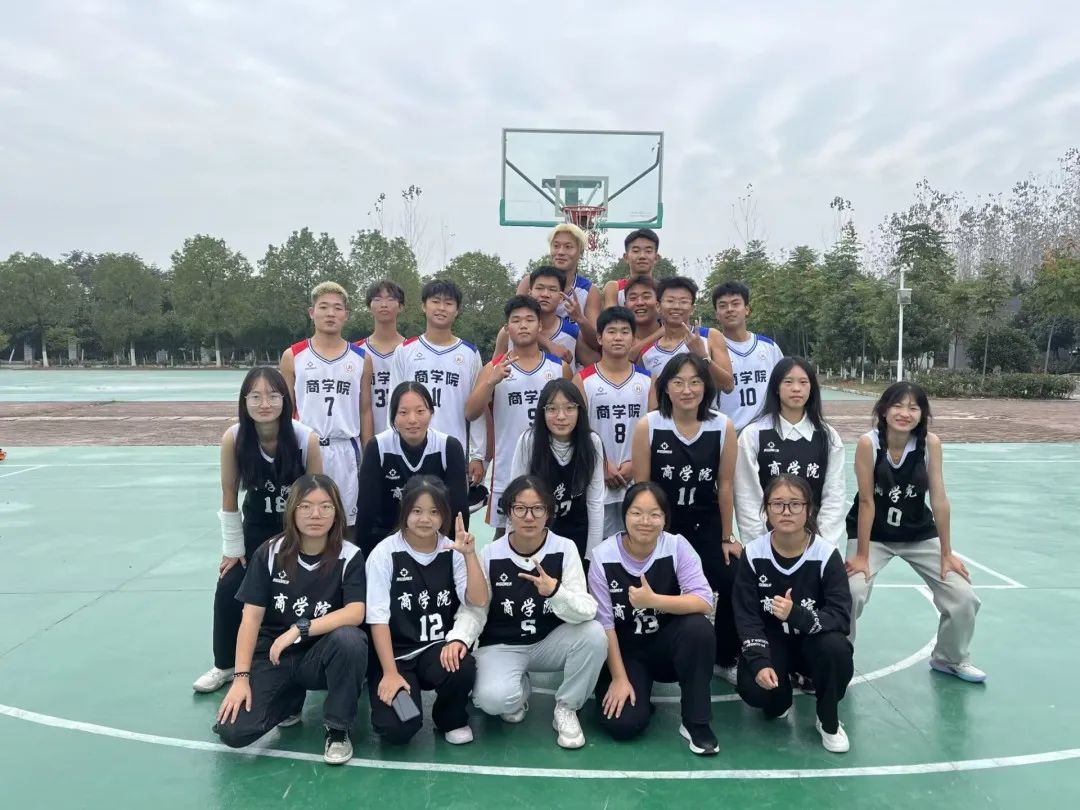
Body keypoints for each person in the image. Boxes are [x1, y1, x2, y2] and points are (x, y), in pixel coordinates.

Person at [213, 475, 367, 765]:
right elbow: (250, 619)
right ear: (292, 510)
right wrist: (241, 678)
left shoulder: (350, 555)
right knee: (233, 732)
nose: (315, 514)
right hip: (274, 656)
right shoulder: (270, 552)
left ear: (337, 512)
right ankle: (289, 700)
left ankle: (337, 728)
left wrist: (300, 629)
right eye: (305, 506)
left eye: (325, 506)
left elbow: (355, 612)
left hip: (320, 656)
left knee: (351, 640)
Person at [447, 475, 607, 750]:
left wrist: (555, 592)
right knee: (492, 701)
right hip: (504, 645)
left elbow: (587, 609)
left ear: (549, 513)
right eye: (520, 508)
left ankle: (567, 707)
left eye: (537, 508)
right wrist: (460, 637)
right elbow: (475, 608)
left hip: (550, 643)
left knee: (594, 635)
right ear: (509, 512)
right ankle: (519, 688)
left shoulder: (565, 548)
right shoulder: (490, 553)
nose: (529, 517)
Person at [193, 367, 324, 694]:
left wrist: (313, 546)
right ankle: (225, 664)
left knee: (296, 589)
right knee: (229, 584)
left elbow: (318, 498)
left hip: (296, 533)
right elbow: (229, 495)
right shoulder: (234, 438)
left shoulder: (305, 439)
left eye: (272, 396)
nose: (264, 403)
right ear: (244, 401)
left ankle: (297, 659)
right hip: (255, 532)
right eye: (255, 396)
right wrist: (232, 550)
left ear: (285, 400)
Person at [845, 382, 985, 682]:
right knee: (851, 591)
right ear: (883, 410)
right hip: (873, 535)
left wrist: (947, 553)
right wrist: (862, 556)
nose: (904, 413)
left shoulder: (930, 444)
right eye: (897, 405)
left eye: (913, 407)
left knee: (963, 597)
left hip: (918, 533)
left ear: (922, 414)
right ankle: (838, 658)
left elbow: (939, 499)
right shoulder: (868, 444)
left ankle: (949, 658)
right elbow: (867, 501)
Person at [630, 353, 741, 684]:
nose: (687, 390)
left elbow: (725, 486)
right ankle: (653, 655)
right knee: (656, 585)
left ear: (706, 387)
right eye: (678, 382)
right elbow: (642, 488)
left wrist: (726, 537)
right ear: (666, 388)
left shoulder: (722, 426)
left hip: (705, 524)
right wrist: (642, 537)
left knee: (732, 577)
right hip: (662, 527)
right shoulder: (650, 425)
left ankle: (725, 657)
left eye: (695, 382)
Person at [589, 482, 718, 754]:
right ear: (624, 515)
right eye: (636, 513)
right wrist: (619, 678)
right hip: (625, 652)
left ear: (665, 518)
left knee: (699, 629)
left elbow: (704, 601)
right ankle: (638, 696)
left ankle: (696, 721)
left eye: (654, 514)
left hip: (665, 648)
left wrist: (653, 601)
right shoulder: (603, 556)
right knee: (623, 725)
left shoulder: (676, 546)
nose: (645, 521)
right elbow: (605, 624)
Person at [733, 475, 854, 753]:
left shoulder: (826, 554)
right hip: (773, 642)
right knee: (757, 690)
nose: (786, 511)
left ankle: (828, 720)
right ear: (766, 509)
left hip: (813, 642)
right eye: (777, 504)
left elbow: (840, 614)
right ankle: (780, 699)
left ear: (809, 509)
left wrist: (798, 615)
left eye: (795, 504)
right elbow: (747, 616)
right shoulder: (753, 554)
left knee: (836, 649)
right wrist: (760, 661)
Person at [364, 477, 488, 745]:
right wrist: (389, 673)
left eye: (434, 511)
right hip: (396, 658)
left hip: (436, 650)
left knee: (462, 665)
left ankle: (450, 718)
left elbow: (478, 600)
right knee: (400, 727)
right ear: (404, 511)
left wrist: (469, 555)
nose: (425, 519)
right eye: (417, 511)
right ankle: (397, 699)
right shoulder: (384, 554)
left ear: (444, 514)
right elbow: (378, 619)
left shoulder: (452, 550)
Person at [465, 296, 571, 534]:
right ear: (507, 327)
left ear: (540, 326)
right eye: (516, 320)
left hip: (551, 465)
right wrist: (491, 383)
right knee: (504, 535)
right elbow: (471, 412)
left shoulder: (558, 368)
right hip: (507, 466)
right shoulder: (493, 368)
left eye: (529, 320)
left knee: (553, 532)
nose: (523, 325)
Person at [280, 281, 373, 528]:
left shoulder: (361, 358)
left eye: (337, 308)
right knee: (305, 520)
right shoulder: (293, 356)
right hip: (305, 447)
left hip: (346, 449)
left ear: (346, 315)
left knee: (347, 522)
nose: (330, 313)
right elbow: (285, 410)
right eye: (323, 307)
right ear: (312, 313)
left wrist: (369, 453)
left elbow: (365, 410)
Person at [735, 357, 846, 548]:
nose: (796, 388)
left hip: (815, 542)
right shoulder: (753, 435)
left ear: (812, 388)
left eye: (803, 382)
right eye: (788, 382)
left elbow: (834, 496)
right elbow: (747, 498)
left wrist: (822, 546)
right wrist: (759, 546)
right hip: (767, 543)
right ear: (776, 388)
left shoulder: (828, 436)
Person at [390, 278, 488, 490]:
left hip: (454, 449)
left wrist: (477, 455)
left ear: (457, 310)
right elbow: (394, 403)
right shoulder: (405, 350)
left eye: (448, 303)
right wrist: (393, 447)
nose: (441, 308)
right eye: (435, 301)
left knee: (452, 508)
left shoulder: (470, 354)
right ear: (424, 306)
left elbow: (477, 408)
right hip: (411, 447)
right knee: (411, 507)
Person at [354, 381, 468, 558]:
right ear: (393, 416)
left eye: (420, 411)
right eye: (403, 412)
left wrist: (453, 554)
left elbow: (459, 511)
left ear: (431, 413)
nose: (412, 419)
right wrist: (369, 557)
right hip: (387, 541)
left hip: (436, 543)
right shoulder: (378, 447)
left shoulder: (449, 447)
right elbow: (367, 512)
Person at [574, 306, 653, 539]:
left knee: (636, 541)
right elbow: (578, 430)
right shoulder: (583, 380)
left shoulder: (648, 381)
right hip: (597, 478)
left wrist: (636, 463)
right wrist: (602, 463)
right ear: (599, 338)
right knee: (597, 546)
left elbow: (655, 430)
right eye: (611, 331)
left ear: (633, 338)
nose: (618, 337)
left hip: (636, 476)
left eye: (625, 332)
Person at [510, 379, 605, 562]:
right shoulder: (529, 441)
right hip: (538, 533)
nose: (561, 416)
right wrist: (514, 549)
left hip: (578, 533)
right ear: (542, 412)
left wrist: (591, 557)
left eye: (569, 408)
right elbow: (515, 497)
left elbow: (595, 503)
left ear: (579, 411)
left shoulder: (592, 442)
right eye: (552, 409)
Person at [638, 276, 734, 394]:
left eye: (683, 301)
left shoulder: (710, 336)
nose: (676, 306)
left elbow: (728, 386)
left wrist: (703, 356)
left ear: (692, 308)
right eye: (670, 301)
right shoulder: (647, 353)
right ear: (658, 306)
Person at [712, 281, 784, 432]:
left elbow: (783, 386)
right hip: (726, 433)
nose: (729, 309)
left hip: (765, 432)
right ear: (716, 314)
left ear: (747, 309)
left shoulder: (769, 347)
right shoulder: (711, 349)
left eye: (735, 304)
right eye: (723, 306)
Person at [515, 223, 600, 351]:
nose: (561, 252)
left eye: (568, 247)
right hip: (530, 352)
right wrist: (549, 345)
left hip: (571, 356)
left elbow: (597, 343)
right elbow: (514, 324)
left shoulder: (589, 290)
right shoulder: (529, 282)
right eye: (556, 246)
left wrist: (580, 319)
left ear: (581, 252)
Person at [497, 265, 595, 369]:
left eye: (552, 289)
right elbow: (493, 369)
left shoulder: (573, 333)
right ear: (530, 293)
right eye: (539, 288)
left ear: (561, 297)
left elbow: (597, 368)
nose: (545, 294)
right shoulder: (508, 332)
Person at [355, 279, 406, 435]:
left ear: (401, 306)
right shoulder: (355, 352)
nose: (384, 305)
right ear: (369, 307)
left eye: (390, 299)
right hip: (363, 435)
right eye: (377, 299)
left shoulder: (411, 350)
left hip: (404, 434)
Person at [602, 229, 661, 308]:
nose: (642, 256)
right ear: (626, 257)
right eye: (636, 251)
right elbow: (611, 315)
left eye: (648, 251)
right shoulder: (614, 288)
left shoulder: (663, 290)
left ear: (656, 258)